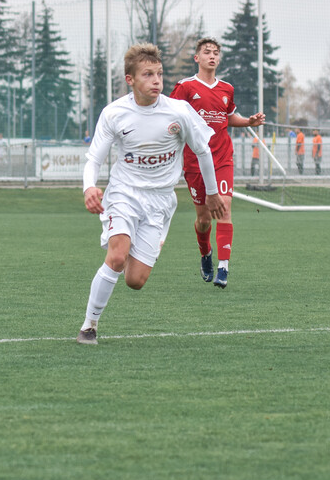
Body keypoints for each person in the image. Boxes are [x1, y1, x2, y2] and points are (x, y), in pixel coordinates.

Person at [78, 43, 227, 344]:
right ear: (130, 80)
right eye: (148, 74)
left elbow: (203, 151)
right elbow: (94, 159)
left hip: (160, 200)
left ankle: (143, 241)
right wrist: (89, 186)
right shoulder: (114, 113)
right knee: (117, 256)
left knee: (135, 281)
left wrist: (212, 193)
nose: (156, 80)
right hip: (124, 193)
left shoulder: (179, 111)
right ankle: (89, 325)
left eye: (159, 74)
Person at [167, 38, 264, 290]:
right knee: (204, 219)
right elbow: (169, 115)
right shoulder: (185, 88)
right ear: (196, 58)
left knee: (224, 206)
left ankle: (224, 268)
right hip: (194, 161)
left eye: (216, 53)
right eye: (206, 52)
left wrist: (248, 122)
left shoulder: (227, 89)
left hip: (222, 157)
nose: (212, 56)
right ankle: (205, 252)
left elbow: (229, 117)